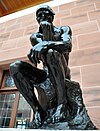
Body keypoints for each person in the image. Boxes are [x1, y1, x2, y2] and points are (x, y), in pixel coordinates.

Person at [10, 5, 72, 128]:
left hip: (62, 70)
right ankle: (37, 110)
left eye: (46, 14)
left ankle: (62, 104)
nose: (43, 17)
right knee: (15, 66)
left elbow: (67, 46)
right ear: (37, 19)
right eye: (39, 15)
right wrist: (45, 38)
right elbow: (43, 56)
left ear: (52, 16)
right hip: (46, 73)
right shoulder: (35, 37)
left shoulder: (64, 29)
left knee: (51, 53)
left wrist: (45, 43)